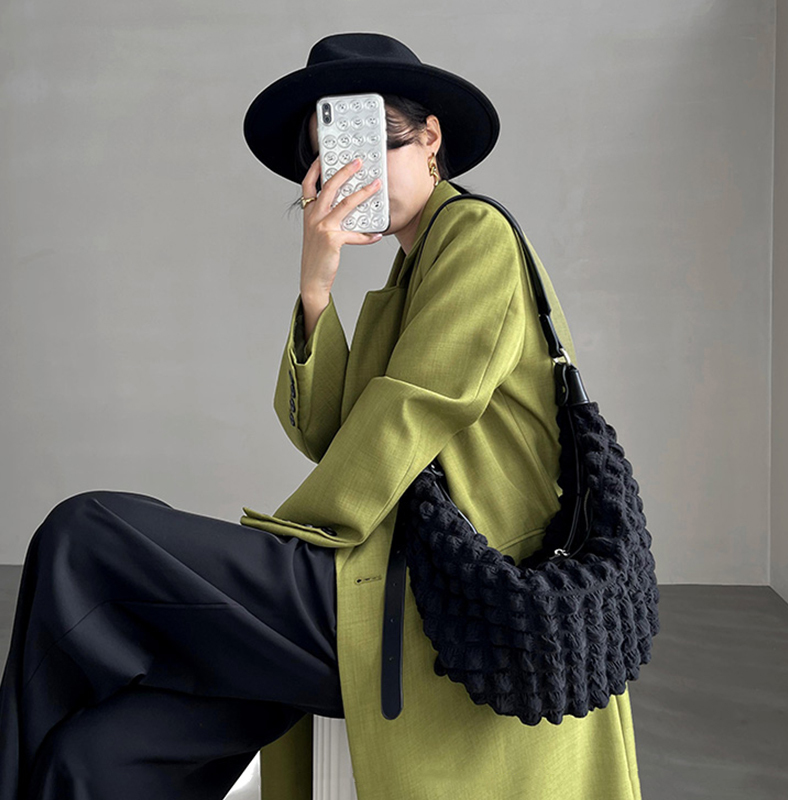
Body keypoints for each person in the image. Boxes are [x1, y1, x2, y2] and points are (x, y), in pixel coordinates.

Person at [0, 31, 643, 800]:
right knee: (92, 756)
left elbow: (410, 415)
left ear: (431, 138)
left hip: (429, 599)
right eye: (331, 152)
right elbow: (328, 436)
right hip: (377, 582)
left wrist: (280, 549)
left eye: (377, 143)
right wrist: (316, 285)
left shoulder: (478, 236)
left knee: (82, 534)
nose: (352, 170)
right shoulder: (404, 280)